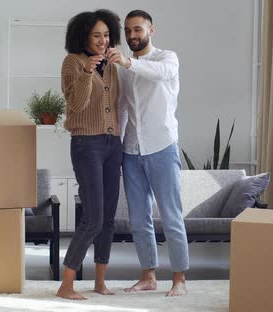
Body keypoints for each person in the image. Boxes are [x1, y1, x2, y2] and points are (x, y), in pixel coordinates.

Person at [104, 9, 189, 297]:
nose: (132, 35)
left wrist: (128, 63)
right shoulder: (125, 71)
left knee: (171, 215)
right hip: (131, 150)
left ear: (151, 30)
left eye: (137, 29)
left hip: (162, 146)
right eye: (128, 31)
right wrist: (117, 146)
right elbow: (124, 109)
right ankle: (148, 275)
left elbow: (160, 74)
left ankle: (179, 279)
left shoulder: (167, 58)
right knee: (138, 218)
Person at [55, 9, 122, 301]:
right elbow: (76, 105)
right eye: (97, 35)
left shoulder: (112, 65)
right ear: (83, 36)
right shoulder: (72, 62)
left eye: (106, 35)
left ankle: (99, 282)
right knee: (93, 217)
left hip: (113, 143)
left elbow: (120, 103)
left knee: (108, 218)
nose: (102, 40)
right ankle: (66, 284)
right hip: (87, 144)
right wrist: (86, 73)